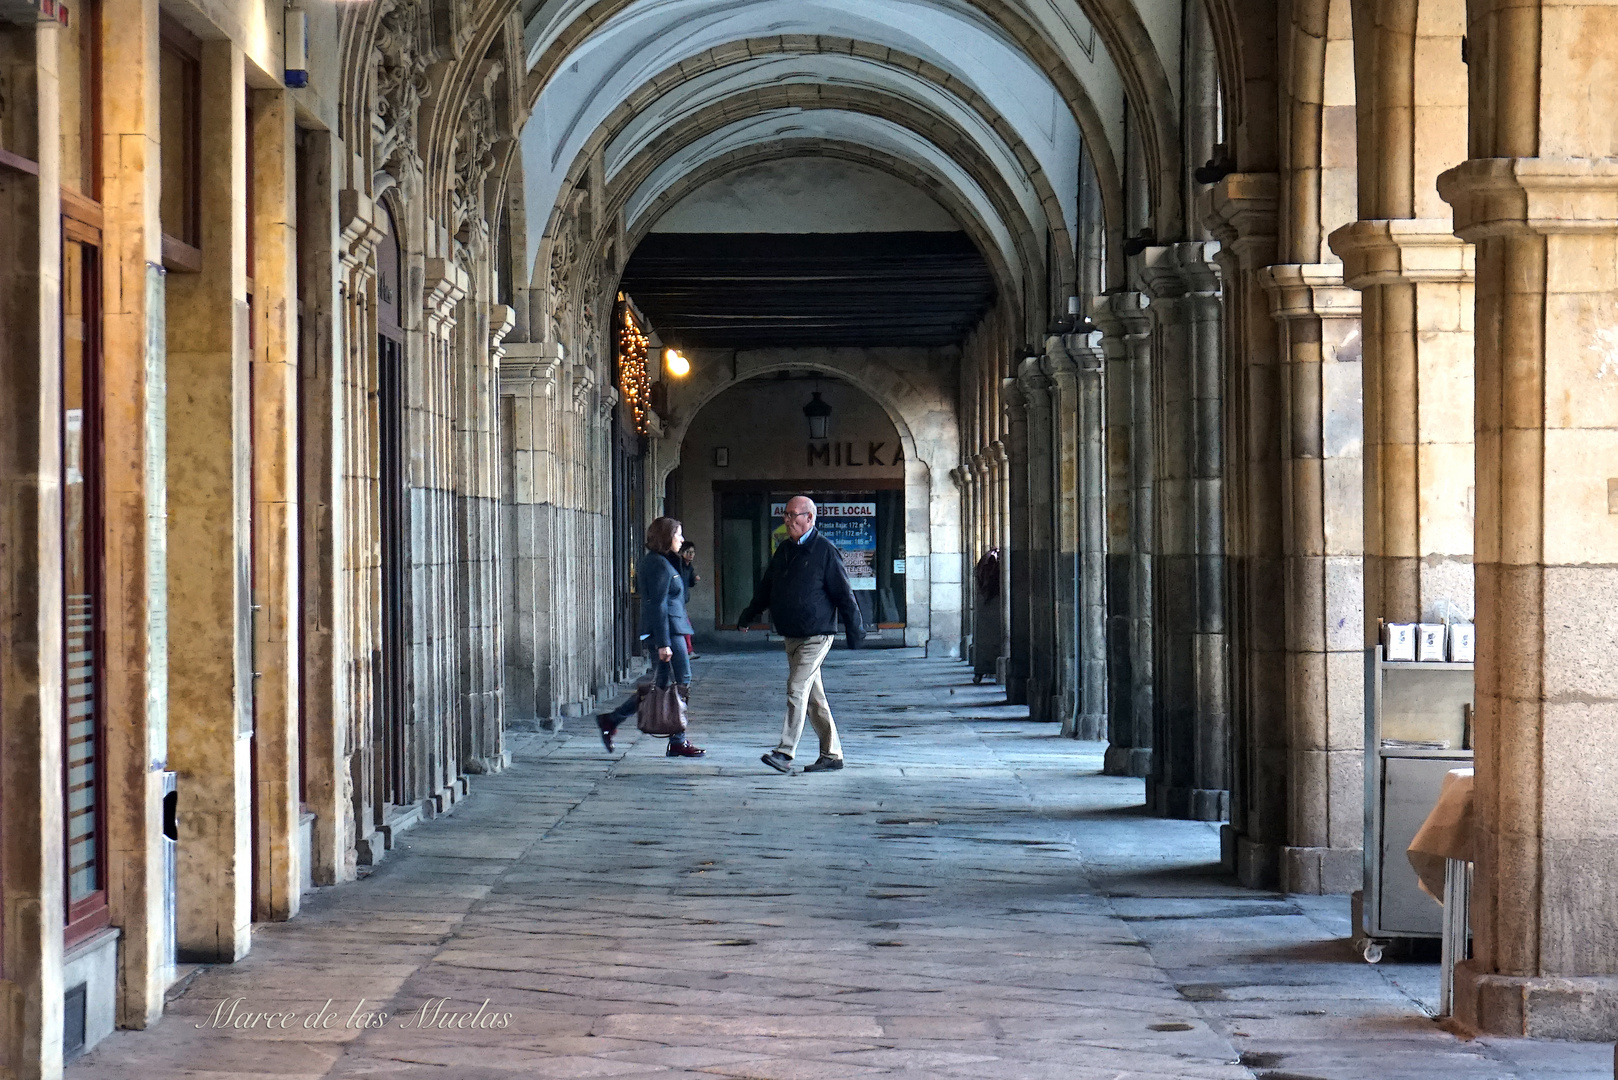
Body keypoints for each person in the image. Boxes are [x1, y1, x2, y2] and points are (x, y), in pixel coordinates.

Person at [738, 495, 864, 774]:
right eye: (785, 515)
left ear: (810, 518)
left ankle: (785, 751)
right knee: (813, 696)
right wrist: (749, 614)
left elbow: (844, 595)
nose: (788, 520)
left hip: (816, 635)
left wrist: (855, 631)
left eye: (794, 515)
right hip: (791, 634)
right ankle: (832, 754)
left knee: (796, 688)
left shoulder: (825, 551)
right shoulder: (784, 550)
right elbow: (767, 588)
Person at [596, 517, 706, 757]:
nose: (681, 539)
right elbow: (657, 604)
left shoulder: (662, 561)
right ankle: (678, 739)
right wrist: (664, 643)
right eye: (678, 534)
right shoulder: (656, 563)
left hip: (672, 628)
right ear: (666, 536)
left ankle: (612, 720)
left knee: (662, 685)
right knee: (682, 679)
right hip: (668, 630)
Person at [678, 540, 701, 659]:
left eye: (692, 552)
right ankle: (688, 650)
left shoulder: (689, 567)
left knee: (685, 626)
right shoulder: (678, 565)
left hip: (682, 600)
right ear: (682, 553)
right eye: (688, 552)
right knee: (685, 626)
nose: (691, 555)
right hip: (677, 600)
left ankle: (688, 650)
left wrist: (694, 580)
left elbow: (689, 583)